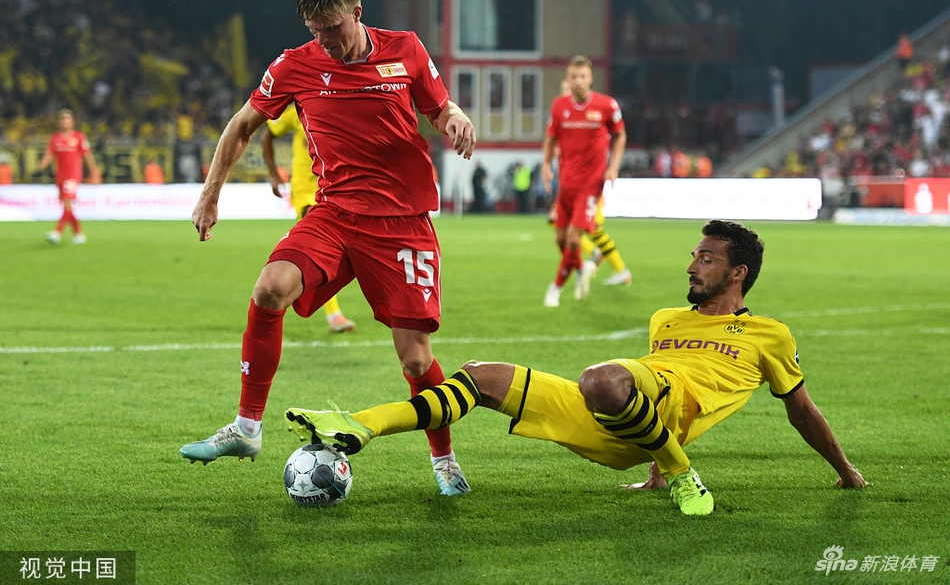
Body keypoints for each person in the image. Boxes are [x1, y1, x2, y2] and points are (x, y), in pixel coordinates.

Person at [286, 220, 868, 516]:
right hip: (620, 418)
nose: (692, 266)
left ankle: (683, 474)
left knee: (602, 378)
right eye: (694, 255)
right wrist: (651, 471)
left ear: (738, 274)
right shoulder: (666, 320)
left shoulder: (769, 335)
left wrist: (845, 471)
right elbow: (648, 394)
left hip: (644, 400)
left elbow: (800, 410)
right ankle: (361, 423)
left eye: (707, 258)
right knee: (479, 375)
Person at [181, 0, 477, 496]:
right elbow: (242, 125)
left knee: (416, 359)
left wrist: (454, 118)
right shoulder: (294, 66)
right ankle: (246, 428)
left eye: (334, 28)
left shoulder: (405, 49)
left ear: (357, 13)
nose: (326, 41)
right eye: (315, 31)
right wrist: (209, 194)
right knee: (270, 288)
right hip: (334, 215)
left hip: (401, 223)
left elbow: (439, 108)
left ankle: (444, 459)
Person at [261, 104, 356, 333]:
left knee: (348, 248)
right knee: (321, 244)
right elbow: (267, 136)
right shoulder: (298, 111)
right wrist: (273, 174)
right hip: (305, 191)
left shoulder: (341, 109)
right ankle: (333, 314)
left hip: (334, 188)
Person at [541, 56, 626, 307]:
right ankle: (582, 267)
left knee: (574, 238)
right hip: (566, 184)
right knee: (560, 239)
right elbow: (551, 138)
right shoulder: (559, 106)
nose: (577, 81)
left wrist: (613, 167)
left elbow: (620, 135)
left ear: (590, 79)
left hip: (590, 185)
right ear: (568, 79)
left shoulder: (607, 105)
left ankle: (555, 288)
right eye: (573, 77)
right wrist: (546, 165)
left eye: (582, 76)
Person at [38, 109, 101, 244]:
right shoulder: (55, 138)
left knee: (67, 202)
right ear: (59, 123)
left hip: (73, 175)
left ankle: (57, 233)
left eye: (67, 120)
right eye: (62, 120)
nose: (65, 123)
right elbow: (49, 153)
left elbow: (87, 157)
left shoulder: (79, 137)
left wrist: (94, 173)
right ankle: (79, 234)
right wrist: (43, 164)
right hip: (60, 175)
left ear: (72, 122)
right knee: (67, 206)